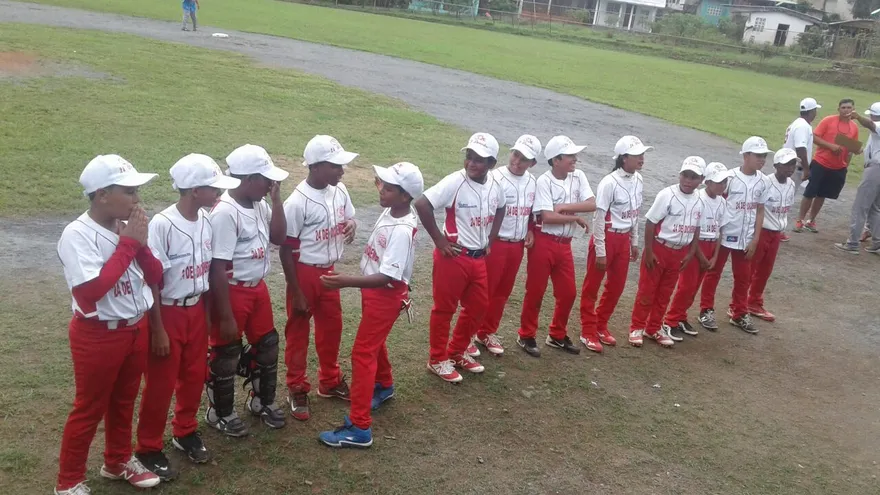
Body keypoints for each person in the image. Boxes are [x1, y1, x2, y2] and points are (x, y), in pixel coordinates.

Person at [55, 155, 162, 495]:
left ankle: (117, 461)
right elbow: (91, 292)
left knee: (124, 400)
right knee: (90, 407)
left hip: (135, 328)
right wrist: (130, 243)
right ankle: (68, 481)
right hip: (98, 334)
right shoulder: (76, 234)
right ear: (102, 195)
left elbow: (156, 276)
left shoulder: (127, 226)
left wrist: (139, 245)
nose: (136, 199)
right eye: (128, 191)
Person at [134, 154, 241, 480]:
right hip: (167, 311)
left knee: (194, 375)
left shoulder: (207, 220)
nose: (219, 195)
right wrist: (158, 328)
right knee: (161, 383)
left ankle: (185, 430)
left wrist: (207, 315)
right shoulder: (163, 224)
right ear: (195, 190)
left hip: (197, 310)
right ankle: (148, 446)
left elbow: (208, 271)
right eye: (213, 189)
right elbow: (151, 279)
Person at [317, 162, 423, 449]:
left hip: (385, 294)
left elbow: (387, 276)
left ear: (404, 196)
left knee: (362, 353)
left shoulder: (402, 228)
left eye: (388, 188)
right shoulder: (394, 208)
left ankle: (360, 428)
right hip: (378, 294)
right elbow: (389, 193)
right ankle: (384, 386)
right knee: (374, 343)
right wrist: (385, 185)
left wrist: (345, 281)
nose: (381, 190)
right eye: (382, 184)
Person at [206, 144, 289, 435]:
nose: (271, 185)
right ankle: (220, 413)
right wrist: (226, 315)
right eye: (266, 180)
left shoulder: (258, 203)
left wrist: (276, 201)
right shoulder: (225, 213)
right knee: (226, 352)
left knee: (267, 345)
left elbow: (279, 236)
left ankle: (262, 401)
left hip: (257, 288)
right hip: (232, 290)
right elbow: (218, 267)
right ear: (249, 179)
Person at [415, 132, 506, 382]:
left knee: (478, 305)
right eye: (469, 157)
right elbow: (422, 204)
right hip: (454, 256)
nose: (472, 164)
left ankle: (456, 351)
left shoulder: (496, 185)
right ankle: (437, 359)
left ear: (492, 165)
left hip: (478, 258)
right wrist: (439, 240)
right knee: (444, 309)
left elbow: (501, 208)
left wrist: (492, 238)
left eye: (480, 159)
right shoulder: (455, 182)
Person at [280, 135, 358, 421]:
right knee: (298, 329)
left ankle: (329, 380)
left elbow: (350, 216)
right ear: (315, 167)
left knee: (332, 327)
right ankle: (296, 386)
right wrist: (296, 290)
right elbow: (286, 250)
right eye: (335, 165)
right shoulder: (297, 202)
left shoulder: (340, 190)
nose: (341, 170)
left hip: (330, 272)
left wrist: (351, 223)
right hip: (304, 272)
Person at [517, 135, 595, 357]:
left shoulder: (578, 176)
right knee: (536, 291)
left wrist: (564, 207)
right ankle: (526, 334)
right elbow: (548, 217)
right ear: (556, 160)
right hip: (544, 242)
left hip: (564, 245)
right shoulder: (544, 181)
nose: (575, 159)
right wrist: (573, 217)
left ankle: (557, 334)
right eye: (570, 156)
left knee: (568, 292)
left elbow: (592, 203)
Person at [470, 135, 540, 357]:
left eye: (524, 159)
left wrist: (529, 229)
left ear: (533, 163)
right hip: (496, 242)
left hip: (517, 245)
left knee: (502, 292)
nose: (517, 161)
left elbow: (531, 212)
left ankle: (486, 332)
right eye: (515, 154)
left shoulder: (532, 182)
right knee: (484, 291)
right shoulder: (495, 177)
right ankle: (468, 335)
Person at [578, 135, 648, 353]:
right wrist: (600, 250)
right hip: (606, 237)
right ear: (624, 158)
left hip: (623, 238)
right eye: (637, 155)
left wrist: (634, 241)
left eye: (642, 155)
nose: (642, 159)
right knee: (592, 287)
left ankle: (600, 324)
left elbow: (634, 214)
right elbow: (599, 218)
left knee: (616, 286)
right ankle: (587, 331)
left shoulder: (639, 180)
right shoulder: (609, 182)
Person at [629, 157, 704, 348]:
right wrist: (650, 251)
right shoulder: (667, 195)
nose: (688, 180)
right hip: (660, 248)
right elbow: (651, 222)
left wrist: (691, 252)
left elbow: (696, 228)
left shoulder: (699, 200)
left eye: (693, 177)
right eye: (685, 175)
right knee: (647, 290)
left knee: (665, 293)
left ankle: (653, 328)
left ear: (701, 179)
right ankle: (636, 327)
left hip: (680, 252)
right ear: (680, 175)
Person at [700, 137, 771, 334]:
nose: (762, 159)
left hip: (746, 238)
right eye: (758, 155)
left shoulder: (763, 181)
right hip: (724, 234)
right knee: (713, 272)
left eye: (764, 156)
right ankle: (706, 309)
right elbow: (718, 205)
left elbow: (759, 210)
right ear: (746, 155)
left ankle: (739, 312)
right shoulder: (729, 178)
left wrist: (756, 238)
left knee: (743, 277)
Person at [665, 162, 731, 337]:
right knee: (686, 285)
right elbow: (695, 229)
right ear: (707, 182)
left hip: (711, 245)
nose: (722, 185)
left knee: (694, 286)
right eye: (718, 182)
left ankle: (680, 316)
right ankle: (670, 320)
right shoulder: (699, 199)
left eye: (725, 182)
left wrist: (715, 256)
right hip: (696, 246)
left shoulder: (722, 202)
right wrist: (700, 255)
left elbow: (720, 230)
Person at [795, 99, 859, 234]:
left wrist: (846, 164)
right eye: (843, 107)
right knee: (810, 192)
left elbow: (851, 149)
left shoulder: (854, 127)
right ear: (838, 109)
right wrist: (830, 146)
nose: (846, 110)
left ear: (853, 110)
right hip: (821, 162)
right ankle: (800, 220)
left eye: (849, 108)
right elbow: (814, 137)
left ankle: (811, 220)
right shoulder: (829, 121)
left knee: (822, 194)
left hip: (838, 167)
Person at [747, 149, 797, 322]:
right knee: (750, 269)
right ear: (776, 165)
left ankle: (754, 302)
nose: (790, 168)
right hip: (762, 231)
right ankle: (737, 304)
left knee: (765, 271)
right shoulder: (765, 183)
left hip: (776, 234)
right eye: (786, 164)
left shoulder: (791, 184)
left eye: (793, 164)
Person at [835, 102, 880, 255]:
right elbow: (864, 150)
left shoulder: (877, 125)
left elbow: (871, 125)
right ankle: (878, 242)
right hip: (876, 168)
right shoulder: (876, 135)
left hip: (875, 169)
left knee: (860, 207)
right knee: (875, 208)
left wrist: (858, 117)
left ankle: (853, 242)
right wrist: (846, 142)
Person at [782, 97, 821, 241]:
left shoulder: (797, 123)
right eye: (815, 110)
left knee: (784, 197)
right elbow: (801, 148)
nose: (816, 113)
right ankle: (778, 230)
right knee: (785, 199)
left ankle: (777, 229)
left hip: (788, 165)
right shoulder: (803, 126)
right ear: (811, 111)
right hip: (793, 167)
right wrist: (806, 168)